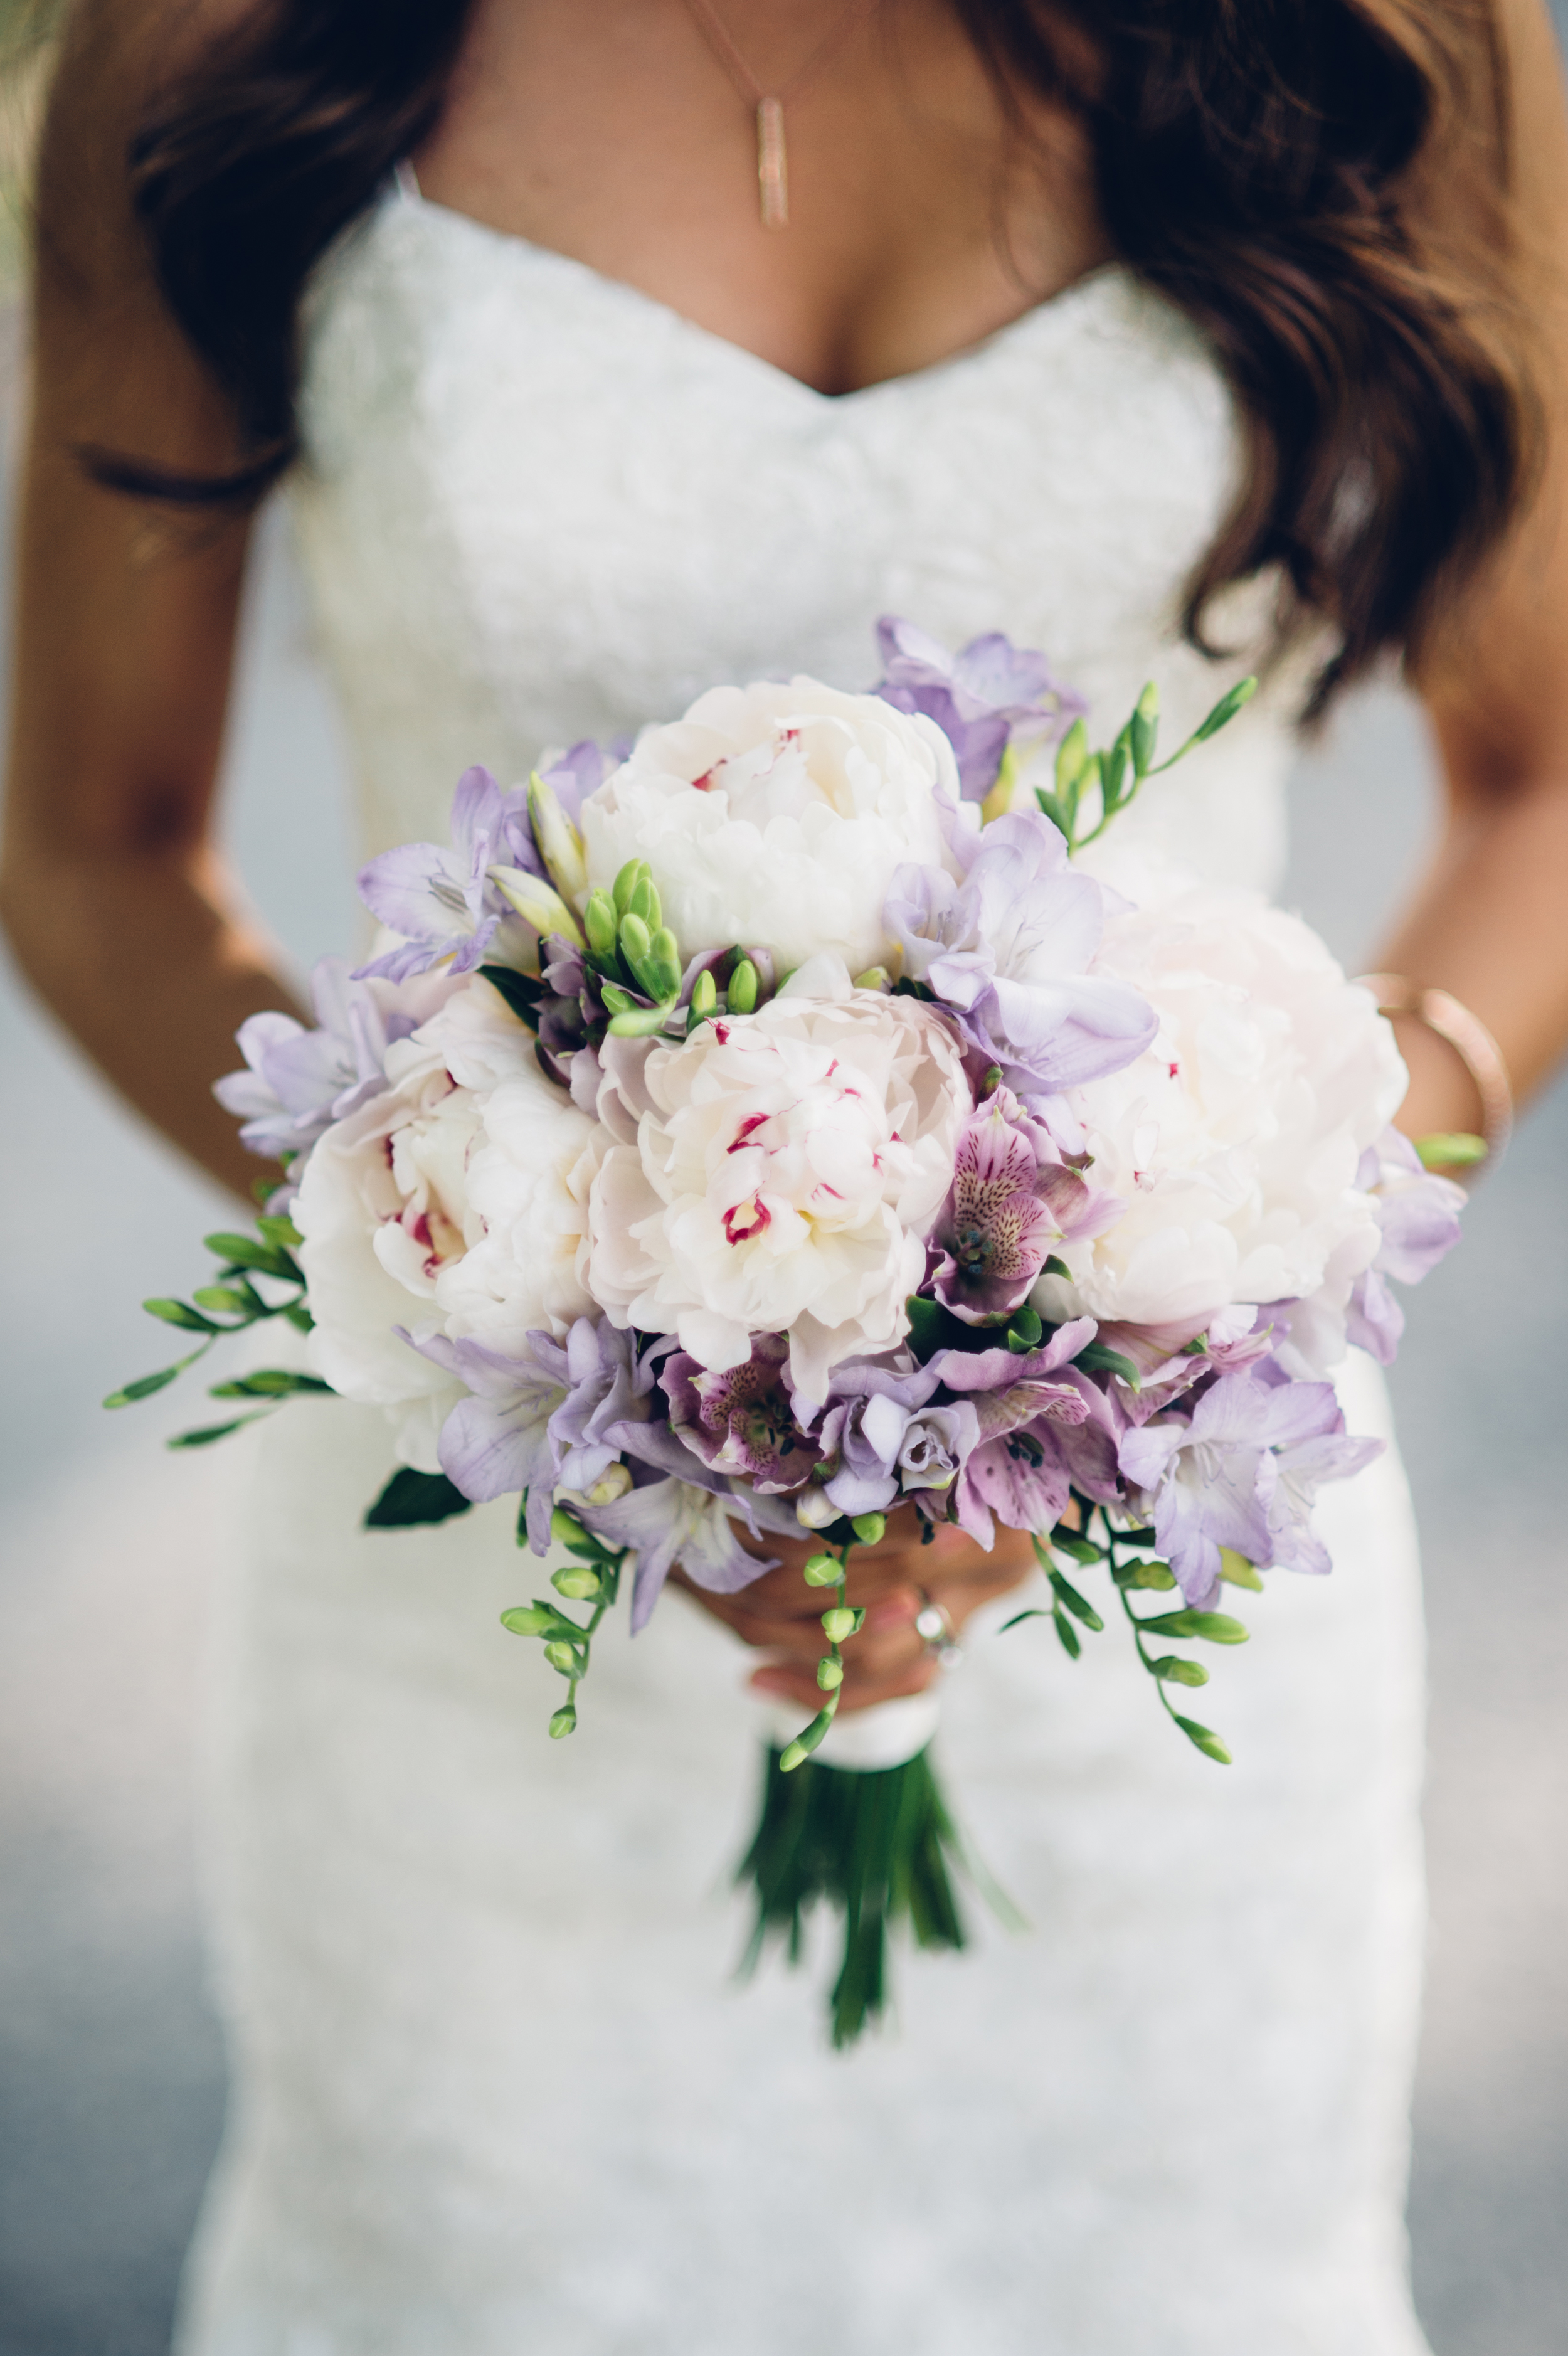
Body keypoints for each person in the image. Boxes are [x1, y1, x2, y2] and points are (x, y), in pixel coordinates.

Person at [6, 2, 1568, 2348]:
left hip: (1142, 1604)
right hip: (492, 1608)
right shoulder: (211, 48)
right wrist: (509, 1307)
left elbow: (1544, 783)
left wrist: (1230, 1252)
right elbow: (89, 843)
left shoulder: (1392, 34)